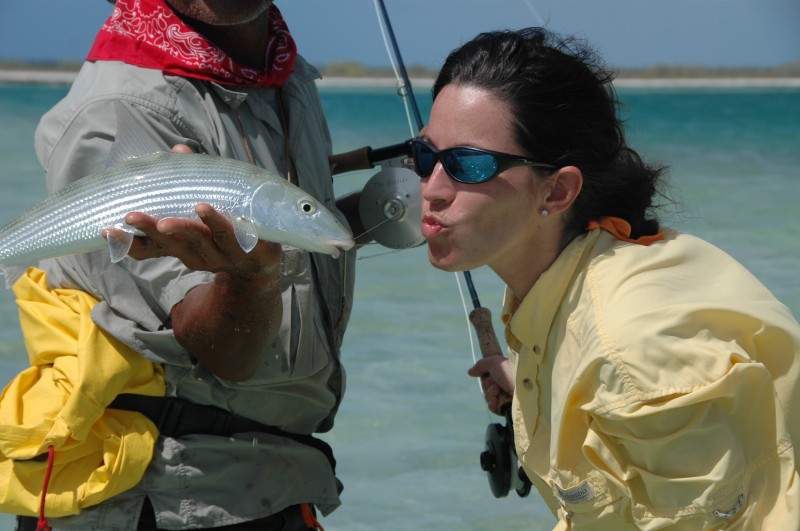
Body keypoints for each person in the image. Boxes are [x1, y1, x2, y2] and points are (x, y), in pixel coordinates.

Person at [414, 27, 800, 529]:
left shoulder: (630, 350)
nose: (432, 189)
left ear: (556, 193)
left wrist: (601, 380)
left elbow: (631, 366)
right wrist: (537, 384)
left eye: (467, 164)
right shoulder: (582, 263)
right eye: (425, 156)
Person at [9, 0, 360, 529]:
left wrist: (371, 212)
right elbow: (221, 350)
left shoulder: (281, 71)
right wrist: (252, 276)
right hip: (169, 496)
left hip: (275, 480)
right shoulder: (121, 106)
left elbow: (292, 237)